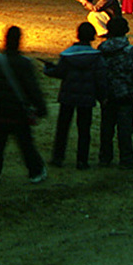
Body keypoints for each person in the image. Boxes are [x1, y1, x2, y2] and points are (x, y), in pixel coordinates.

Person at [0, 26, 47, 185]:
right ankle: (35, 170)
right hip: (18, 112)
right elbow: (33, 89)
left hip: (0, 110)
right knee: (25, 144)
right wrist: (40, 108)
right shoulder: (24, 63)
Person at [42, 21, 103, 170]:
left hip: (68, 94)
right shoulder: (96, 57)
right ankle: (82, 160)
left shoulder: (68, 54)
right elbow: (100, 77)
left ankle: (58, 157)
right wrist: (103, 95)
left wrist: (47, 69)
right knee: (84, 129)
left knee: (63, 127)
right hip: (87, 96)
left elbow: (59, 72)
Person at [95, 16, 133, 168]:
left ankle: (105, 157)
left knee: (106, 127)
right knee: (125, 129)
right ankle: (126, 158)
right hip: (126, 93)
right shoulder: (131, 51)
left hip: (107, 94)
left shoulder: (101, 49)